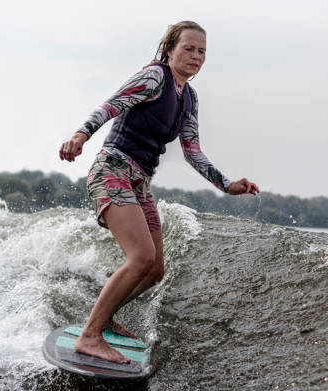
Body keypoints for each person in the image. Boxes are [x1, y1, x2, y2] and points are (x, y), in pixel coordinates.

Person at [59, 21, 259, 364]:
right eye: (189, 49)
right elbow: (111, 106)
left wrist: (227, 185)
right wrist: (81, 135)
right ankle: (90, 335)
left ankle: (103, 320)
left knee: (154, 271)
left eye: (202, 52)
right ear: (169, 50)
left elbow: (192, 151)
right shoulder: (154, 77)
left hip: (140, 184)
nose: (196, 56)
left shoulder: (189, 98)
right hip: (113, 171)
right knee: (140, 259)